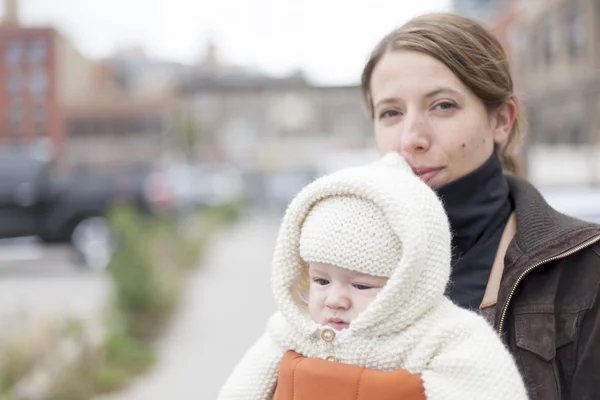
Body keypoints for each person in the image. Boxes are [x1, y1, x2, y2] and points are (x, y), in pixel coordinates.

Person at [359, 12, 600, 400]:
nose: (412, 138)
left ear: (501, 120)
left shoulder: (585, 270)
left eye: (442, 106)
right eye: (391, 112)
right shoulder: (339, 261)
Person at [217, 152, 528, 400]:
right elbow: (241, 389)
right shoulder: (293, 329)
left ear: (409, 283)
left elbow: (491, 387)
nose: (335, 300)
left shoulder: (445, 335)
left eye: (361, 285)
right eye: (321, 281)